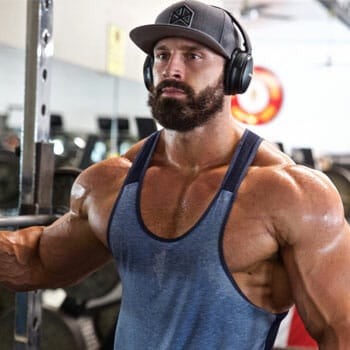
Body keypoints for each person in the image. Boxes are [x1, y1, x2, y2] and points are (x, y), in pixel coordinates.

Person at [1, 0, 350, 348]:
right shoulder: (109, 183)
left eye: (193, 55)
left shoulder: (292, 194)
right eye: (162, 55)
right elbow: (35, 261)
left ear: (236, 73)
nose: (172, 69)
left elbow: (340, 329)